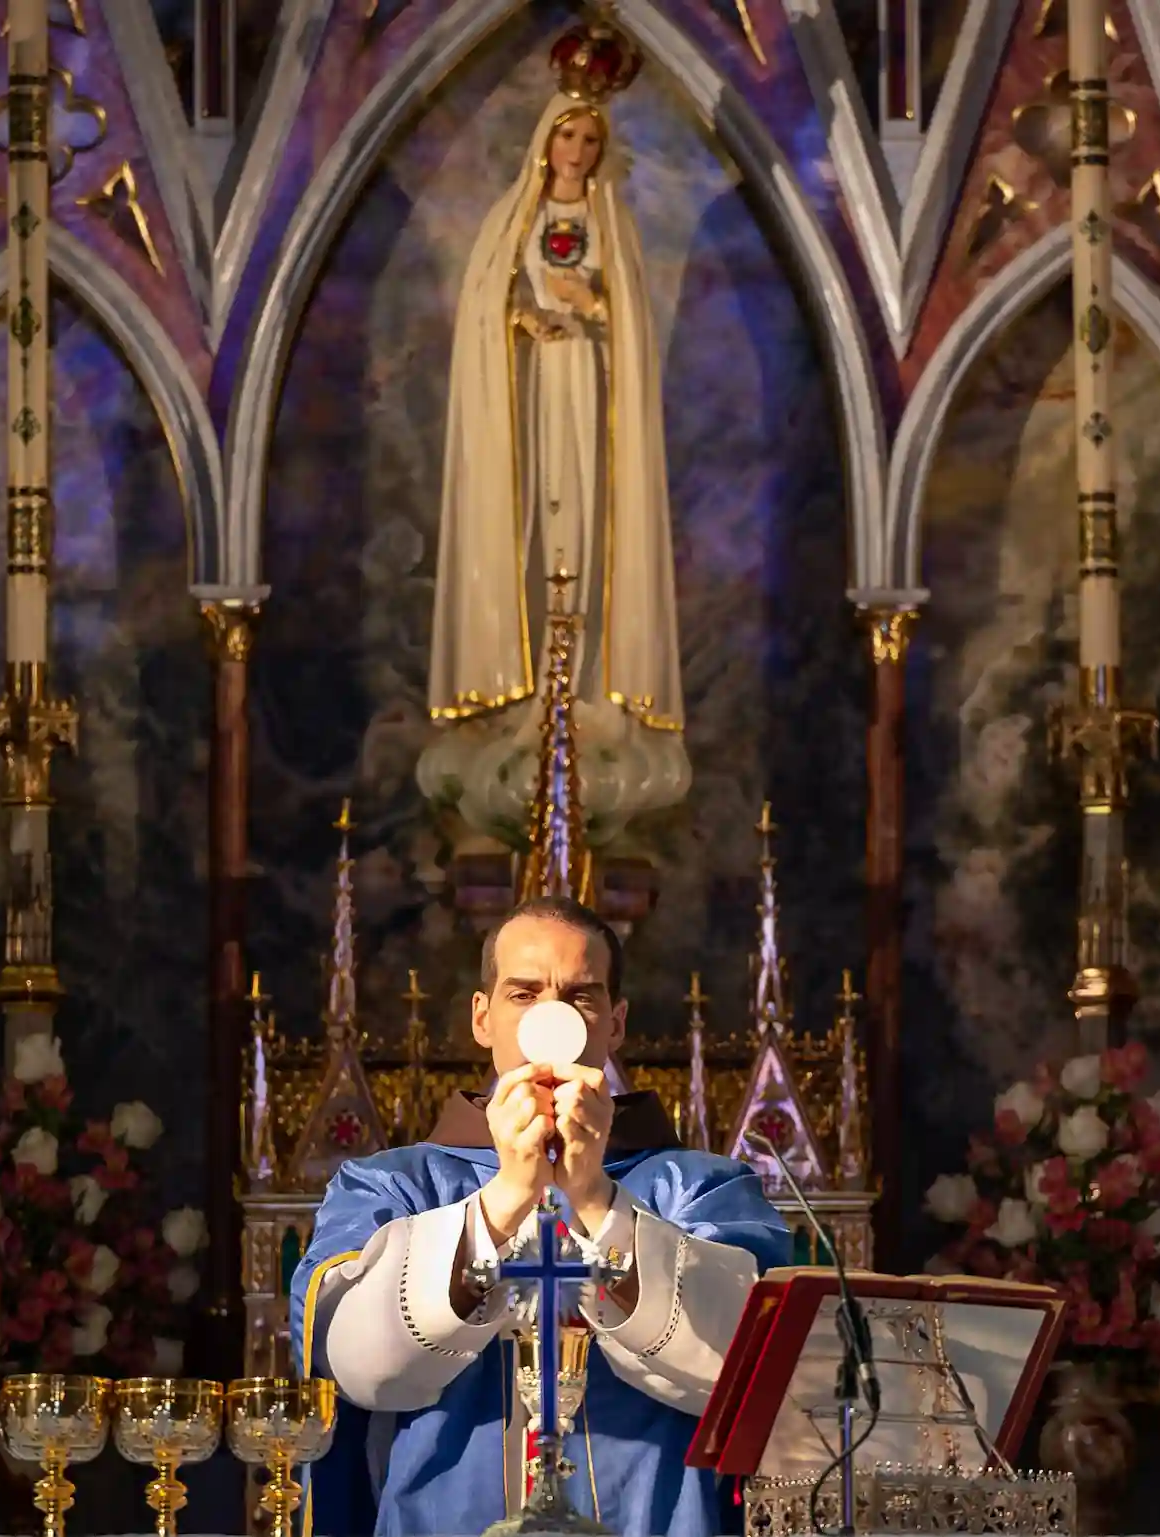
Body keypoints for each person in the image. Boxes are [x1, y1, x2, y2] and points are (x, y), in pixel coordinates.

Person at [291, 897, 789, 1537]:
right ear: (482, 1017)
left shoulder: (703, 1189)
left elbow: (752, 1369)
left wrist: (594, 1201)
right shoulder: (389, 1186)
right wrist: (508, 1197)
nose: (552, 1019)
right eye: (524, 995)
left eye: (581, 998)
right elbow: (361, 1368)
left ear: (615, 1023)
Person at [418, 26, 691, 843]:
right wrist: (528, 317)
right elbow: (485, 312)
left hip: (591, 393)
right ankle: (524, 682)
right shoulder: (511, 223)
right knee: (535, 518)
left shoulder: (612, 224)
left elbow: (631, 324)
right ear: (546, 142)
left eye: (589, 139)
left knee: (590, 522)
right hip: (532, 392)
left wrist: (598, 308)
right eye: (567, 135)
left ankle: (588, 689)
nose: (576, 150)